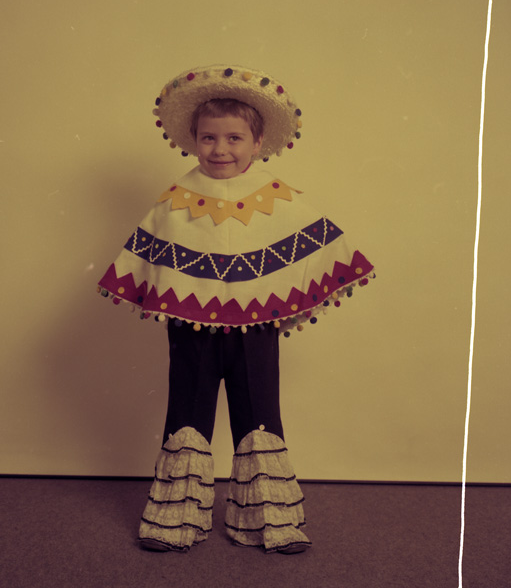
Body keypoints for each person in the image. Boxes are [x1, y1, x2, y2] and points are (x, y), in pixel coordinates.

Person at [97, 65, 375, 554]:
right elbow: (149, 258)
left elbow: (318, 246)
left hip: (256, 331)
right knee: (187, 413)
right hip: (191, 331)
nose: (220, 149)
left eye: (233, 138)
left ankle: (270, 521)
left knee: (260, 414)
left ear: (258, 141)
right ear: (193, 139)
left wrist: (291, 294)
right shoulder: (175, 201)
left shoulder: (279, 198)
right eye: (208, 138)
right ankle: (175, 520)